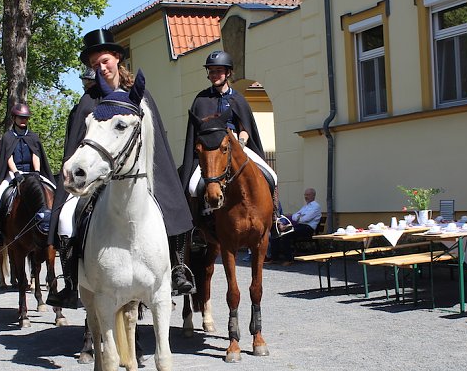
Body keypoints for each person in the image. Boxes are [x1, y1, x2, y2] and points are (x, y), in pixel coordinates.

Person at [48, 28, 194, 306]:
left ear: (116, 58)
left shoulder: (140, 95)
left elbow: (157, 141)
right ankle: (70, 282)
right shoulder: (89, 102)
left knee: (174, 207)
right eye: (95, 65)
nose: (101, 68)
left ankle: (177, 269)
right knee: (67, 218)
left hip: (141, 176)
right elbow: (79, 145)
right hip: (99, 183)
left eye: (105, 61)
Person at [180, 50, 276, 201]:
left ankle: (276, 216)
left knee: (271, 176)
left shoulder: (238, 99)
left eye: (219, 71)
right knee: (192, 187)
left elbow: (245, 128)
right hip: (210, 151)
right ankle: (195, 222)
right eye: (211, 71)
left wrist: (241, 143)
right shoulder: (201, 99)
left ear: (228, 73)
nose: (214, 75)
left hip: (236, 145)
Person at [0, 103, 55, 247]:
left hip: (32, 172)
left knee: (53, 191)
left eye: (25, 118)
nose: (23, 120)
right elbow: (8, 157)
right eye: (20, 117)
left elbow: (36, 155)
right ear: (14, 118)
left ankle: (55, 229)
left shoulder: (33, 136)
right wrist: (16, 173)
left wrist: (37, 172)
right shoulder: (7, 137)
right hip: (14, 173)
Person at [269, 188, 322, 266]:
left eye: (308, 195)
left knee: (286, 234)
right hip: (299, 226)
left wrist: (299, 217)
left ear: (313, 195)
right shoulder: (305, 206)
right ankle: (274, 258)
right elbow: (294, 216)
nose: (306, 197)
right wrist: (300, 217)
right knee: (276, 233)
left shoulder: (316, 206)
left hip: (307, 229)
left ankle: (289, 259)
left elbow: (305, 219)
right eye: (305, 195)